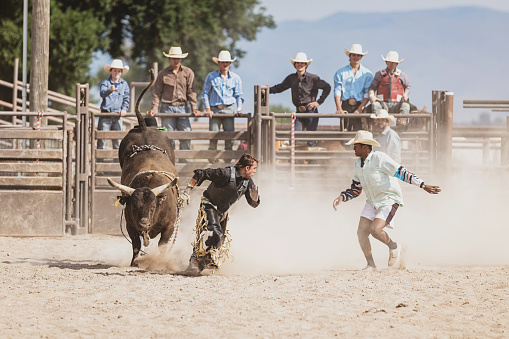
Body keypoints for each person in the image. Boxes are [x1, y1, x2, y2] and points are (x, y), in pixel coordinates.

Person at [332, 130, 440, 271]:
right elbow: (356, 188)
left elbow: (401, 172)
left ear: (365, 147)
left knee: (375, 230)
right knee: (361, 232)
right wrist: (342, 197)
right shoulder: (358, 164)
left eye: (356, 145)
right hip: (372, 201)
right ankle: (371, 264)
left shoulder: (380, 158)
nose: (353, 148)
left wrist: (423, 185)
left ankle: (394, 246)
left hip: (389, 199)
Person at [181, 153, 260, 275]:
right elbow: (200, 173)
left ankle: (199, 263)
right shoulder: (225, 173)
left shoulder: (248, 182)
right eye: (254, 168)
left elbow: (252, 203)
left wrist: (255, 200)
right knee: (214, 232)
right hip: (209, 204)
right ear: (247, 168)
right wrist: (187, 191)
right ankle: (195, 261)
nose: (255, 171)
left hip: (223, 210)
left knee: (220, 239)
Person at [269, 52, 331, 148]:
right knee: (295, 137)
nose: (300, 64)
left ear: (306, 65)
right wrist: (267, 90)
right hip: (299, 111)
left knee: (311, 139)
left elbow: (327, 87)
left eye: (302, 63)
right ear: (295, 65)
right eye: (298, 62)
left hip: (311, 111)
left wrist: (318, 102)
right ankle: (297, 161)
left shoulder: (313, 78)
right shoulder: (291, 78)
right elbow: (280, 87)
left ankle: (312, 161)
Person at [147, 47, 200, 152]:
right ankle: (171, 163)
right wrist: (154, 108)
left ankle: (185, 162)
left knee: (185, 134)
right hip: (167, 107)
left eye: (178, 58)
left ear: (181, 59)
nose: (176, 60)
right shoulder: (163, 74)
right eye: (174, 58)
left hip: (182, 107)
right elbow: (156, 92)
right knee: (168, 137)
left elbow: (191, 91)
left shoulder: (188, 72)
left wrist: (194, 107)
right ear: (169, 59)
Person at [201, 50, 244, 160]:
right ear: (219, 63)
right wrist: (207, 108)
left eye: (227, 62)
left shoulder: (236, 78)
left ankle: (228, 161)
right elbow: (204, 93)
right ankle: (212, 160)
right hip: (214, 109)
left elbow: (239, 95)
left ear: (230, 63)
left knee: (229, 137)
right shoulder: (211, 76)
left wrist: (238, 109)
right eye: (223, 62)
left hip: (229, 109)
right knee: (213, 136)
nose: (225, 64)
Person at [333, 44, 373, 131]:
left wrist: (360, 108)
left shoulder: (367, 74)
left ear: (361, 57)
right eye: (354, 55)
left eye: (358, 55)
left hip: (360, 105)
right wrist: (339, 108)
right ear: (350, 56)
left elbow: (367, 93)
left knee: (359, 133)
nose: (356, 57)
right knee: (344, 132)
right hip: (345, 105)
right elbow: (337, 91)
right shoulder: (340, 72)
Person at [368, 51, 411, 128]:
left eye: (393, 62)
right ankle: (378, 126)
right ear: (386, 62)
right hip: (382, 103)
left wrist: (405, 94)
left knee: (406, 106)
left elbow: (408, 86)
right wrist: (372, 96)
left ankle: (402, 126)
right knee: (375, 105)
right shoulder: (379, 74)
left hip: (398, 103)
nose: (391, 64)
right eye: (390, 62)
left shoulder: (402, 75)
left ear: (397, 64)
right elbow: (372, 87)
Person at [98, 59, 130, 149]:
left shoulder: (124, 84)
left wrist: (124, 109)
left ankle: (116, 162)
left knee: (118, 141)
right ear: (110, 71)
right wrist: (110, 90)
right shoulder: (105, 83)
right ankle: (100, 162)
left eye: (119, 71)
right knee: (102, 140)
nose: (117, 73)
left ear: (121, 73)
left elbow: (126, 98)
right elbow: (102, 93)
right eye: (115, 70)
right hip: (105, 115)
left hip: (117, 116)